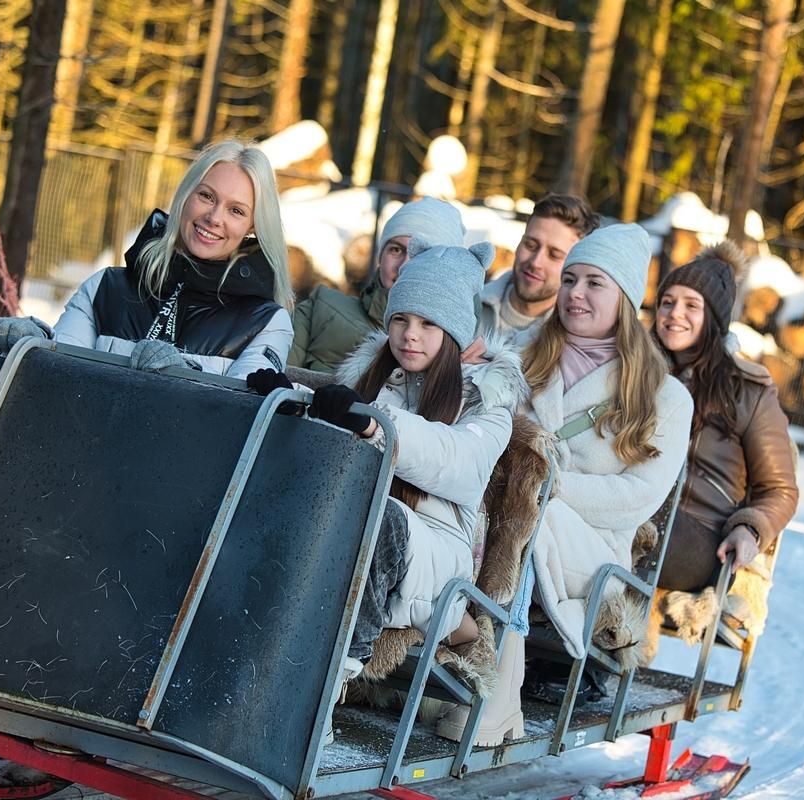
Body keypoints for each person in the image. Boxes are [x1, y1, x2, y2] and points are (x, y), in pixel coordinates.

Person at [436, 223, 693, 746]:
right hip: (500, 517)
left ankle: (499, 694)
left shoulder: (664, 397)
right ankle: (438, 672)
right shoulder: (524, 352)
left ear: (623, 296)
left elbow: (637, 497)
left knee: (530, 512)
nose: (575, 293)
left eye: (594, 283)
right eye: (570, 279)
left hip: (593, 549)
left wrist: (549, 486)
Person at [308, 239, 525, 681]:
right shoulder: (376, 377)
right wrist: (291, 397)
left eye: (429, 323)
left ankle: (335, 680)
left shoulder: (488, 396)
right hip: (358, 527)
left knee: (381, 517)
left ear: (455, 330)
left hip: (439, 554)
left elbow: (461, 464)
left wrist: (373, 424)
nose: (410, 334)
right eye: (401, 319)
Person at [0, 140, 294, 378]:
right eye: (206, 196)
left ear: (253, 225)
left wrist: (185, 377)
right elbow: (63, 369)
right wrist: (32, 344)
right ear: (185, 196)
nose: (214, 217)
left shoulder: (266, 323)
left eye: (236, 210)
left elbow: (243, 413)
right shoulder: (106, 288)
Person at [651, 242, 798, 593]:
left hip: (701, 537)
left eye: (691, 305)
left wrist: (749, 529)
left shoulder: (748, 391)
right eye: (667, 302)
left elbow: (779, 489)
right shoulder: (636, 370)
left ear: (714, 318)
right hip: (633, 510)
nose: (674, 314)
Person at [287, 198, 466, 373]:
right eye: (396, 250)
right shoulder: (321, 308)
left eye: (421, 254)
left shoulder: (462, 349)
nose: (404, 266)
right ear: (380, 257)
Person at [475, 193, 601, 347]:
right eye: (531, 245)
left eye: (554, 255)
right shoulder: (468, 305)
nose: (536, 262)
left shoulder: (577, 343)